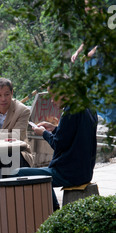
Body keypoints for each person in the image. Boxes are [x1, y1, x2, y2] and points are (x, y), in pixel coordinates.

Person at [12, 77, 98, 211]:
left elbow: (58, 144)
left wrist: (44, 133)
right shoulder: (87, 107)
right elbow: (75, 135)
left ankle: (51, 210)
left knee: (16, 173)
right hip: (84, 171)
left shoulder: (70, 111)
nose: (52, 101)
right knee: (43, 176)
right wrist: (54, 128)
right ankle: (54, 208)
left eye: (53, 96)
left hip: (69, 172)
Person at [0, 78, 34, 171]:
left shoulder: (22, 111)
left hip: (17, 152)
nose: (3, 99)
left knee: (5, 157)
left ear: (12, 93)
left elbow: (17, 136)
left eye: (7, 94)